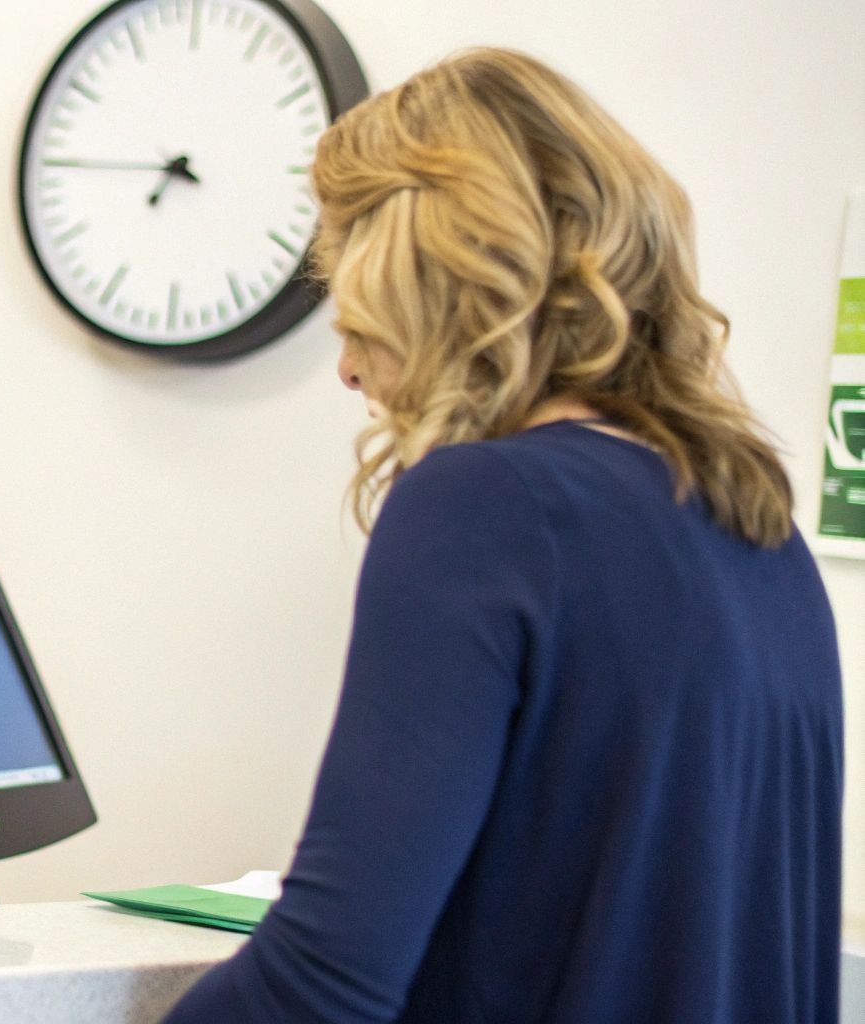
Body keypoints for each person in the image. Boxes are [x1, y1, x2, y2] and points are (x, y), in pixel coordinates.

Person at [166, 49, 841, 1022]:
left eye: (353, 309)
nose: (347, 368)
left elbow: (321, 985)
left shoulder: (483, 505)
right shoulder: (752, 518)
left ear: (422, 275)